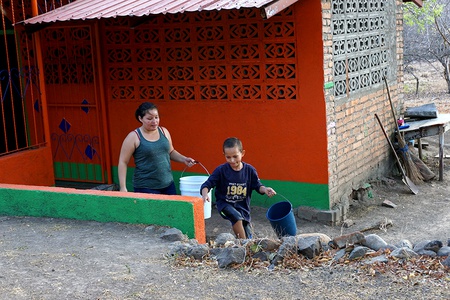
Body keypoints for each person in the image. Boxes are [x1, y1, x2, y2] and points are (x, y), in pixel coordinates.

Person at [200, 137, 276, 239]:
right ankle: (243, 245)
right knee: (237, 219)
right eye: (228, 157)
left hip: (243, 208)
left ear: (242, 153)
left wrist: (266, 189)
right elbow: (206, 185)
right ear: (224, 155)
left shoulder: (249, 170)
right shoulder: (221, 170)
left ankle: (246, 245)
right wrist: (205, 194)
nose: (232, 160)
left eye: (235, 156)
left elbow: (258, 186)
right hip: (224, 205)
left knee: (249, 235)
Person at [118, 102, 196, 195]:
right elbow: (123, 162)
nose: (154, 121)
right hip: (145, 187)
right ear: (140, 118)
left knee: (170, 209)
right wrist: (123, 187)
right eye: (149, 119)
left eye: (156, 117)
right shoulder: (134, 137)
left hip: (168, 184)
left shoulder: (164, 131)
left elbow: (170, 151)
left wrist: (184, 159)